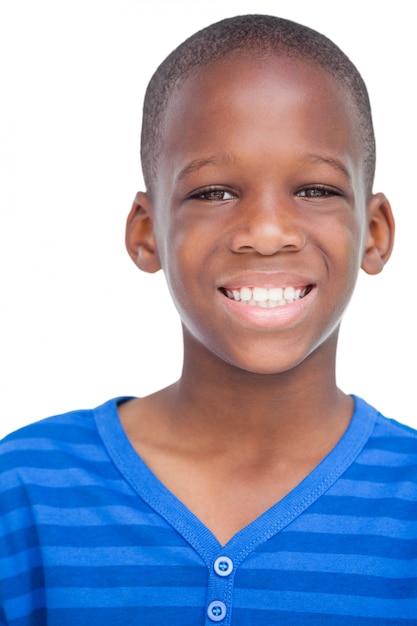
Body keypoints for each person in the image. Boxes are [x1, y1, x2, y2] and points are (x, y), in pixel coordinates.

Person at [1, 13, 415, 625]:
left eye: (316, 190)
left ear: (375, 234)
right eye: (214, 193)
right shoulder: (25, 491)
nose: (267, 233)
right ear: (146, 235)